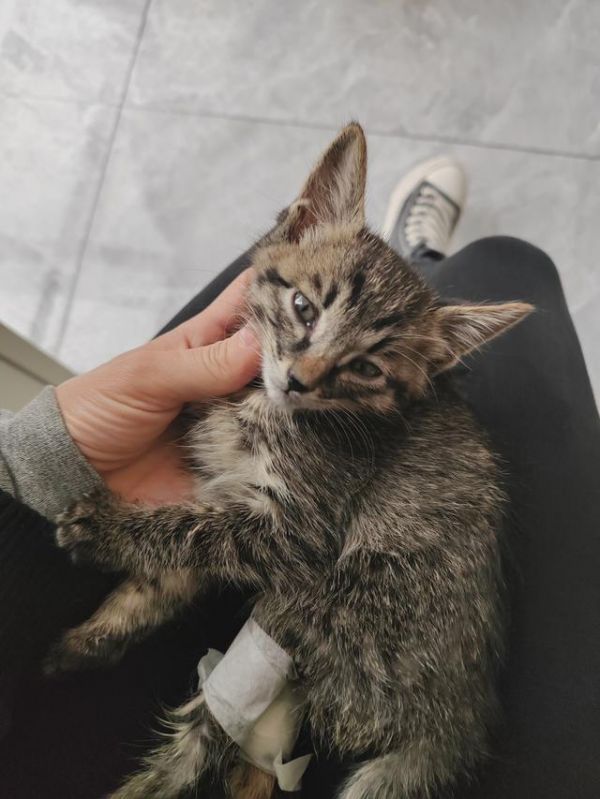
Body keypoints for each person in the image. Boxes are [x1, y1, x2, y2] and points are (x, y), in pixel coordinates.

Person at [0, 156, 598, 799]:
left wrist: (100, 508)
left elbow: (277, 544)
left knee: (293, 579)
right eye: (306, 309)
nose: (303, 374)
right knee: (512, 259)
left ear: (428, 365)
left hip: (381, 640)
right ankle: (421, 255)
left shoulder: (331, 438)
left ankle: (417, 258)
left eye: (363, 367)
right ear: (304, 220)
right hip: (391, 648)